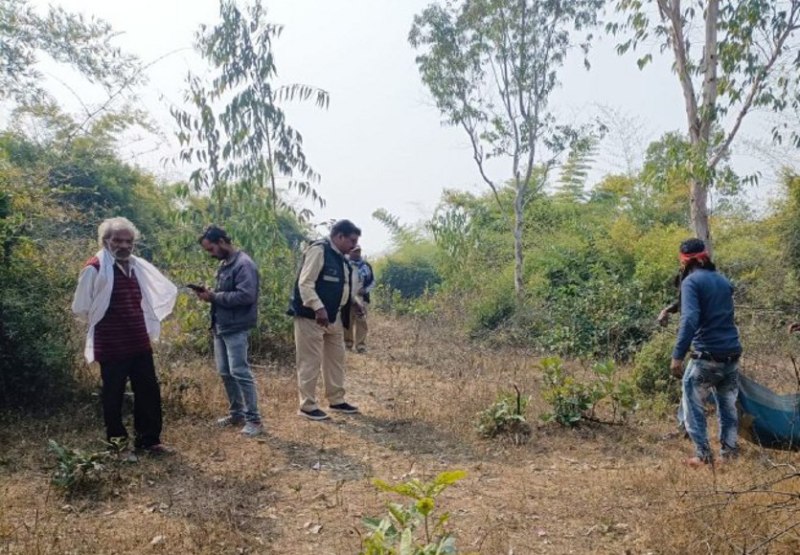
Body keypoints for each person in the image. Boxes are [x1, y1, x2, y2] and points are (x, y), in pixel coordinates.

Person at [71, 217, 177, 455]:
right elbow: (81, 306)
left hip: (138, 340)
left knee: (148, 390)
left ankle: (149, 441)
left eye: (128, 241)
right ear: (105, 241)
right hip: (111, 343)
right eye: (117, 240)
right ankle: (117, 445)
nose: (124, 245)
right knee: (113, 394)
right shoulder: (95, 268)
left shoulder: (137, 266)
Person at [670, 238, 742, 467]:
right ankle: (729, 454)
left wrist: (677, 356)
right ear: (705, 256)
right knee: (728, 405)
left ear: (684, 260)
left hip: (706, 356)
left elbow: (690, 318)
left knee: (693, 402)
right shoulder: (722, 280)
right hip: (731, 354)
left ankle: (702, 455)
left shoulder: (691, 282)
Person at [288, 219, 362, 420]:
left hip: (334, 317)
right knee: (309, 361)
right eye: (351, 240)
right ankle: (307, 406)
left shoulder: (342, 259)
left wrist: (354, 302)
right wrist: (318, 308)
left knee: (335, 360)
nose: (354, 245)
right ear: (339, 236)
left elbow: (343, 287)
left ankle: (336, 400)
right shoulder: (318, 250)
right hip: (311, 317)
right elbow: (305, 283)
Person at [194, 225, 264, 437]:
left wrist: (214, 297)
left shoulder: (243, 264)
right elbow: (229, 293)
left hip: (236, 326)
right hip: (221, 325)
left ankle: (254, 420)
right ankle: (237, 414)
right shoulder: (225, 264)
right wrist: (212, 295)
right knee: (225, 372)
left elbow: (246, 296)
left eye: (211, 249)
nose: (211, 254)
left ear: (222, 242)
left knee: (240, 372)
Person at [344, 245, 375, 353]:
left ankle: (360, 346)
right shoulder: (345, 264)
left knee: (361, 321)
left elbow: (372, 281)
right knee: (347, 320)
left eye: (358, 251)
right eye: (354, 251)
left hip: (361, 298)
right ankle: (347, 344)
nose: (357, 253)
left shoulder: (366, 266)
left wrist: (365, 290)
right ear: (350, 252)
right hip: (347, 297)